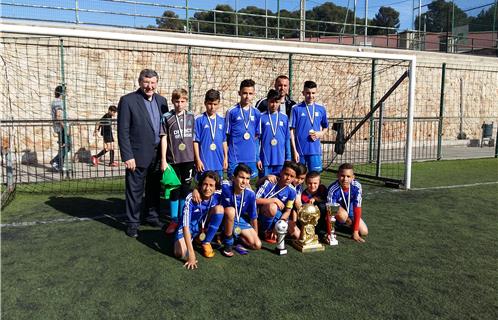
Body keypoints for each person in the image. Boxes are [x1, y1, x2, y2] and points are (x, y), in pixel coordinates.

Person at [117, 69, 169, 238]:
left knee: (154, 189)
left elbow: (165, 129)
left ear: (157, 83)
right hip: (137, 155)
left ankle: (152, 217)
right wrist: (128, 156)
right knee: (135, 191)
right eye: (146, 82)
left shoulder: (162, 101)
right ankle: (133, 223)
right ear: (140, 82)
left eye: (153, 82)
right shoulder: (128, 101)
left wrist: (166, 156)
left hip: (158, 155)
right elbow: (122, 131)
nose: (149, 86)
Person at [161, 88, 196, 235]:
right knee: (174, 190)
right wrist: (163, 160)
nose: (179, 104)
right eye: (176, 101)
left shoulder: (192, 117)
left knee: (185, 190)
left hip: (188, 159)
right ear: (172, 101)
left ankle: (183, 218)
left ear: (186, 101)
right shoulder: (167, 117)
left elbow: (195, 140)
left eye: (182, 101)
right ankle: (174, 219)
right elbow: (163, 138)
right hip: (173, 160)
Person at [173, 171, 225, 269]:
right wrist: (191, 254)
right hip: (188, 227)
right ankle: (194, 239)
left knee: (220, 209)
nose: (208, 188)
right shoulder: (191, 198)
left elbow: (231, 184)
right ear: (200, 185)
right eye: (205, 184)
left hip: (202, 226)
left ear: (215, 187)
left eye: (211, 185)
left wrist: (247, 185)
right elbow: (185, 227)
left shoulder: (218, 194)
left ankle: (206, 242)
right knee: (179, 253)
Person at [220, 163, 262, 257]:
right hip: (223, 218)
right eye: (241, 177)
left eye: (247, 178)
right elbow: (208, 186)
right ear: (234, 178)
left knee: (257, 245)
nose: (244, 181)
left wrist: (255, 235)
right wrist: (195, 190)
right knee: (231, 211)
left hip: (238, 220)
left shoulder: (250, 194)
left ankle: (233, 239)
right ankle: (228, 243)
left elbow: (253, 217)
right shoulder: (225, 186)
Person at [290, 80, 329, 173]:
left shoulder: (321, 109)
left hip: (315, 151)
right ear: (303, 93)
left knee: (315, 178)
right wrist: (294, 150)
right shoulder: (296, 108)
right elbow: (291, 130)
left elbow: (325, 127)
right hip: (300, 151)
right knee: (298, 178)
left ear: (316, 93)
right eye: (308, 93)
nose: (310, 96)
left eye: (313, 93)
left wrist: (321, 133)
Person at [225, 79, 261, 179]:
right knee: (234, 182)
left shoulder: (257, 113)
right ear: (239, 93)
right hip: (235, 156)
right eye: (244, 93)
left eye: (250, 93)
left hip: (251, 156)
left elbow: (256, 137)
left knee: (249, 184)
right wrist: (226, 156)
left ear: (254, 94)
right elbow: (226, 136)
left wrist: (257, 158)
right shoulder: (231, 111)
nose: (247, 96)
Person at [256, 161, 299, 242]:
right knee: (272, 207)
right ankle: (264, 231)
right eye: (286, 174)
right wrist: (274, 200)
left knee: (297, 234)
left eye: (292, 176)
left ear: (294, 178)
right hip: (263, 214)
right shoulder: (270, 182)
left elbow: (287, 211)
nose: (288, 178)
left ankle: (274, 230)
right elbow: (254, 200)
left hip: (278, 216)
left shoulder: (292, 191)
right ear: (281, 172)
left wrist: (279, 225)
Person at [327, 163, 368, 243]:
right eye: (342, 176)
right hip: (338, 213)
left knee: (364, 231)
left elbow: (357, 208)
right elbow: (330, 212)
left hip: (351, 212)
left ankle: (344, 224)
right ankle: (335, 225)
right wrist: (329, 233)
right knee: (343, 215)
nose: (345, 179)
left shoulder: (357, 186)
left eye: (348, 176)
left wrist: (355, 232)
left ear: (353, 177)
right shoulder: (333, 189)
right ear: (337, 175)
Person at [193, 89, 228, 180]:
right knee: (203, 187)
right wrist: (198, 160)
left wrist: (225, 158)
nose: (212, 107)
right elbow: (195, 141)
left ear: (219, 104)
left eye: (215, 104)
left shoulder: (222, 120)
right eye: (209, 104)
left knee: (218, 188)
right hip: (204, 162)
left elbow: (224, 141)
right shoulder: (199, 119)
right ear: (205, 103)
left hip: (218, 161)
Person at [258, 89, 291, 177]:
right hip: (265, 159)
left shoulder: (284, 118)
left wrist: (288, 157)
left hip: (280, 159)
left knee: (279, 184)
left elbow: (287, 139)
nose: (274, 104)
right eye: (271, 102)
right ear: (267, 102)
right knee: (264, 183)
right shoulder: (261, 117)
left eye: (276, 102)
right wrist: (257, 158)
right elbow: (257, 140)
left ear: (280, 102)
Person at [49, 85, 70, 172]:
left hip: (59, 127)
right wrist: (65, 128)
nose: (66, 93)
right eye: (65, 92)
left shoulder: (56, 101)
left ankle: (60, 165)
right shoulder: (59, 102)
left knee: (63, 146)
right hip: (61, 127)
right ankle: (55, 161)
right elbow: (58, 116)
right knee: (68, 145)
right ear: (62, 93)